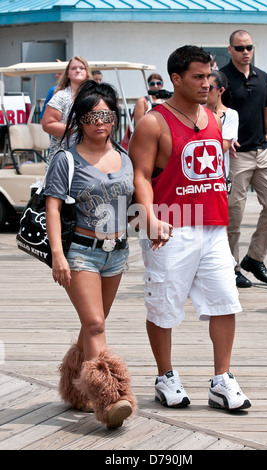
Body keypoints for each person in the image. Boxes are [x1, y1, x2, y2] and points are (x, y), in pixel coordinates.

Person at [129, 45, 251, 412]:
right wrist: (148, 218)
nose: (206, 83)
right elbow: (140, 175)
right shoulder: (154, 121)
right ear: (176, 79)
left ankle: (221, 379)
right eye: (197, 76)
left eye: (208, 75)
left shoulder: (212, 117)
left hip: (213, 226)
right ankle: (165, 375)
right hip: (170, 228)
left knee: (225, 302)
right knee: (162, 307)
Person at [44, 80, 136, 429]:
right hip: (82, 252)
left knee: (92, 324)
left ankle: (73, 386)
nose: (100, 122)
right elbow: (52, 208)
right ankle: (111, 398)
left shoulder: (125, 157)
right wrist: (58, 255)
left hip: (117, 253)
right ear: (79, 119)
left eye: (106, 115)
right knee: (96, 324)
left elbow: (131, 203)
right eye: (91, 115)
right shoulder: (65, 159)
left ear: (115, 117)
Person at [221, 30, 267, 288]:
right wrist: (224, 138)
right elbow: (214, 111)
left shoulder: (262, 78)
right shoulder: (222, 78)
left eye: (249, 47)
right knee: (233, 214)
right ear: (230, 50)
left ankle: (254, 258)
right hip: (236, 155)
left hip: (262, 151)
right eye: (240, 48)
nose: (245, 52)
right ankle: (231, 266)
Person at [42, 56, 92, 166]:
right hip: (64, 159)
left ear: (87, 72)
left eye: (82, 68)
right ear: (68, 74)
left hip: (91, 158)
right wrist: (76, 128)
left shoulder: (96, 96)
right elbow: (47, 124)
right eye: (73, 68)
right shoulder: (60, 96)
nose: (78, 70)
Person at [205, 70, 239, 188]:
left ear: (221, 90)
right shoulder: (195, 111)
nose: (204, 90)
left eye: (209, 88)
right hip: (195, 175)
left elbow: (223, 147)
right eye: (202, 86)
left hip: (218, 177)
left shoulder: (230, 115)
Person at [120, 74, 165, 150]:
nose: (156, 86)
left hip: (161, 137)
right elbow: (139, 123)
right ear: (148, 86)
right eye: (152, 84)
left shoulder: (164, 102)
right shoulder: (142, 101)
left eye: (158, 83)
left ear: (162, 85)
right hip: (146, 138)